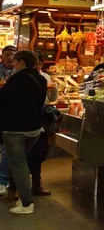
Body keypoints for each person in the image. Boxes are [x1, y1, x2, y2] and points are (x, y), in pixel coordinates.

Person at [0, 50, 47, 214]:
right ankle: (15, 191)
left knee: (18, 164)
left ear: (21, 63)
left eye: (15, 61)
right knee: (21, 163)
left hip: (15, 129)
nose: (13, 64)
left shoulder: (15, 80)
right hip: (34, 129)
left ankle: (27, 204)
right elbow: (41, 103)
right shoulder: (41, 79)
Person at [25, 57, 59, 196]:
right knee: (22, 153)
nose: (38, 67)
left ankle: (37, 184)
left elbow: (51, 99)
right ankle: (16, 185)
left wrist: (54, 89)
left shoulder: (45, 77)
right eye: (35, 64)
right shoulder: (23, 77)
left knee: (39, 152)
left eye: (40, 64)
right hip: (26, 118)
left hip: (41, 117)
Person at [0, 45, 17, 196]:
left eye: (13, 55)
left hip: (13, 115)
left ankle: (3, 181)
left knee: (7, 148)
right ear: (2, 57)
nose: (10, 57)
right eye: (7, 55)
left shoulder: (20, 72)